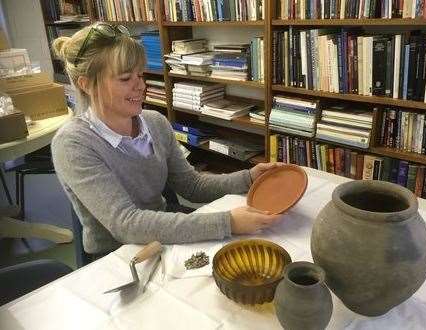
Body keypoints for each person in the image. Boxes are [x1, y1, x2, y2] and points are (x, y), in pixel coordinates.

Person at [51, 22, 282, 256]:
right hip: (117, 256)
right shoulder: (73, 144)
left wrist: (249, 177)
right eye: (125, 78)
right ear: (87, 84)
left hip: (164, 236)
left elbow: (192, 186)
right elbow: (126, 224)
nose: (141, 85)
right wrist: (228, 223)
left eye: (140, 75)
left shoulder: (154, 122)